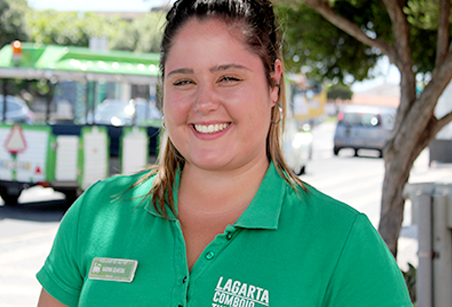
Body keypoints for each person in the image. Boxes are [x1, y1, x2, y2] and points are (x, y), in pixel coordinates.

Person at [36, 0, 413, 306]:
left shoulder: (343, 244)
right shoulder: (98, 212)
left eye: (228, 78)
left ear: (274, 84)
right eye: (184, 81)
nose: (204, 103)